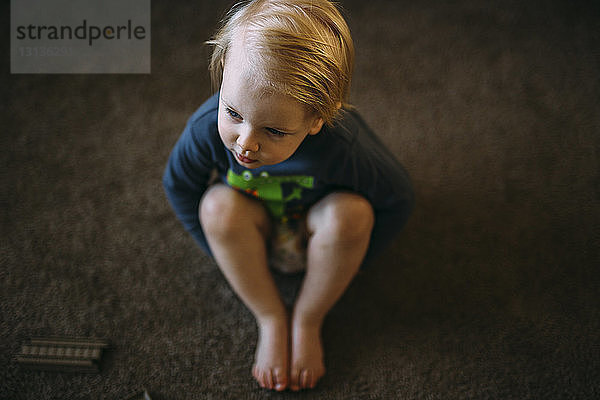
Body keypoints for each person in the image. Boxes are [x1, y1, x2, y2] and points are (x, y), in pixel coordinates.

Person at [163, 0, 413, 391]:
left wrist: (360, 260)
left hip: (318, 236)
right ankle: (271, 318)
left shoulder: (344, 146)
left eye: (274, 132)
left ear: (317, 119)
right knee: (215, 207)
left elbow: (397, 199)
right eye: (232, 113)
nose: (245, 143)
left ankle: (308, 319)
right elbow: (179, 186)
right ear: (225, 65)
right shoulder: (204, 129)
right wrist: (219, 250)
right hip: (254, 231)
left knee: (355, 214)